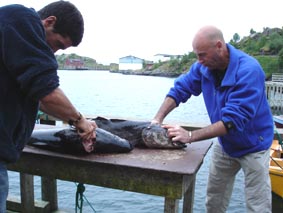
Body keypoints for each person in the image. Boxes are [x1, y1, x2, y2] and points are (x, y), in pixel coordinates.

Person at [152, 25, 273, 212]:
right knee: (214, 201)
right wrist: (157, 119)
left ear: (219, 46)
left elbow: (232, 120)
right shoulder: (203, 68)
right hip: (226, 144)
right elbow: (180, 90)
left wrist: (190, 136)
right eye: (197, 55)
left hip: (254, 146)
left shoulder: (249, 70)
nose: (199, 61)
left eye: (202, 55)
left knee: (258, 206)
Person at [0, 1, 97, 211]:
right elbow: (47, 94)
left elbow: (37, 94)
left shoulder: (10, 31)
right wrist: (81, 121)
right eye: (58, 45)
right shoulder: (21, 21)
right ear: (49, 21)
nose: (53, 53)